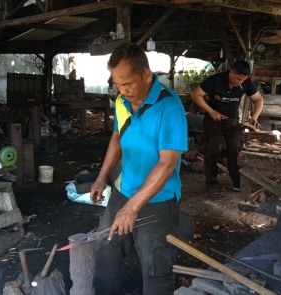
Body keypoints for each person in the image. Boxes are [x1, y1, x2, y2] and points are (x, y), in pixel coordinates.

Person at [88, 42, 188, 295]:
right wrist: (101, 178)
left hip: (158, 199)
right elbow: (117, 138)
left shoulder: (170, 107)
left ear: (146, 74)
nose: (122, 90)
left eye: (128, 83)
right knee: (106, 249)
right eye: (117, 84)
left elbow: (167, 164)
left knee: (155, 267)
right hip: (124, 190)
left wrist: (132, 208)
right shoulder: (121, 101)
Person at [190, 60, 263, 195]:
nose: (240, 82)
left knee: (234, 151)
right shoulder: (215, 80)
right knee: (212, 150)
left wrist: (255, 117)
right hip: (213, 121)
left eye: (243, 79)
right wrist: (211, 111)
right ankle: (211, 183)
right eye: (238, 78)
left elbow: (258, 99)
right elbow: (195, 95)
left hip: (232, 122)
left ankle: (237, 182)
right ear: (231, 72)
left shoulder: (245, 83)